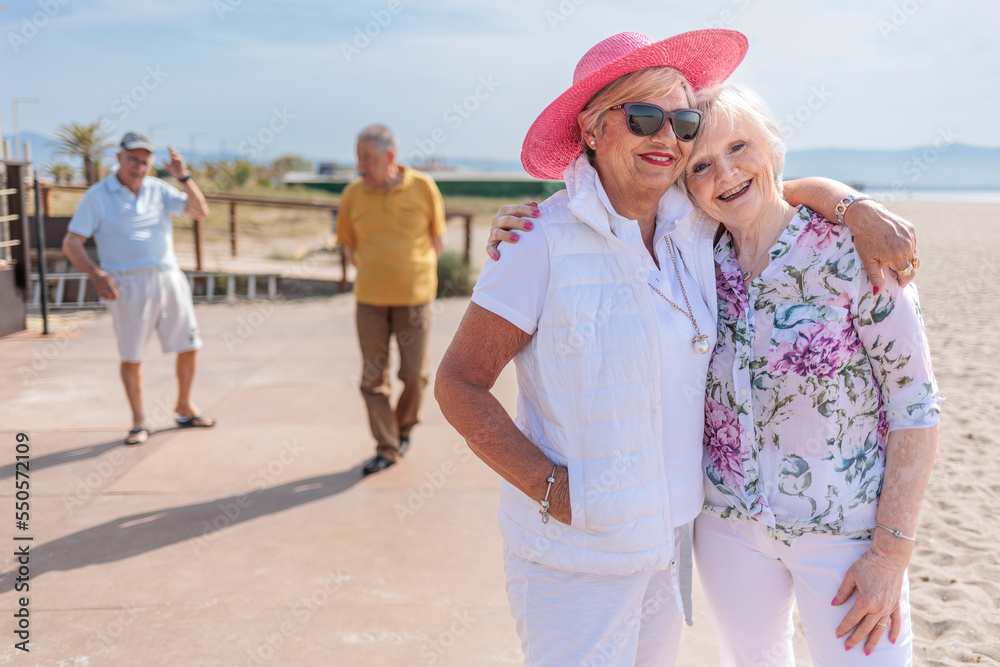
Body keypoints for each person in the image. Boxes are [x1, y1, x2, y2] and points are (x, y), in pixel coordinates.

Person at [437, 29, 916, 666]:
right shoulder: (538, 242)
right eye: (642, 117)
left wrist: (852, 206)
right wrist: (548, 485)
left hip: (668, 550)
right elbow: (458, 383)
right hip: (573, 560)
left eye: (681, 121)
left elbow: (765, 186)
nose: (666, 137)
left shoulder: (693, 228)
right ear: (591, 129)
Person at [681, 85, 938, 666]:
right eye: (700, 165)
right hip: (726, 526)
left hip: (847, 535)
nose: (725, 171)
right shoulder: (695, 258)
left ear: (771, 148)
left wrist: (891, 556)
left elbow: (915, 407)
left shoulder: (854, 252)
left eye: (739, 146)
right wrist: (525, 225)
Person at [62, 131, 213, 445]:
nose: (138, 166)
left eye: (145, 161)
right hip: (127, 283)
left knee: (189, 344)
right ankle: (139, 421)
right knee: (132, 354)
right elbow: (71, 242)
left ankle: (185, 406)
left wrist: (183, 176)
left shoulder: (159, 190)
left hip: (167, 275)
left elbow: (199, 211)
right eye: (133, 158)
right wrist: (96, 275)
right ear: (119, 157)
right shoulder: (97, 196)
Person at [337, 124, 447, 476]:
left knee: (415, 375)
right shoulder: (353, 194)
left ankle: (402, 430)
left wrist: (415, 275)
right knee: (373, 378)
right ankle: (386, 446)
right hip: (369, 300)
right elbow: (348, 247)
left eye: (367, 158)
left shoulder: (423, 187)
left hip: (415, 299)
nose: (361, 165)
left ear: (390, 157)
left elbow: (437, 240)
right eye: (358, 158)